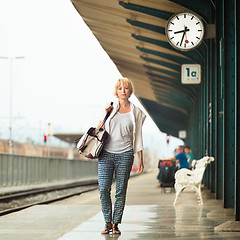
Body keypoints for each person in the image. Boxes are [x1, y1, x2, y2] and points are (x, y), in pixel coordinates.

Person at [97, 77, 146, 235]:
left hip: (125, 154)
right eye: (120, 88)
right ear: (116, 92)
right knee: (104, 189)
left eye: (126, 88)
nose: (123, 90)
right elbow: (99, 129)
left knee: (120, 191)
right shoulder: (110, 108)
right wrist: (105, 115)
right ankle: (107, 221)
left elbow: (138, 136)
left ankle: (116, 223)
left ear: (130, 92)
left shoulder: (136, 112)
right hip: (105, 154)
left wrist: (140, 159)